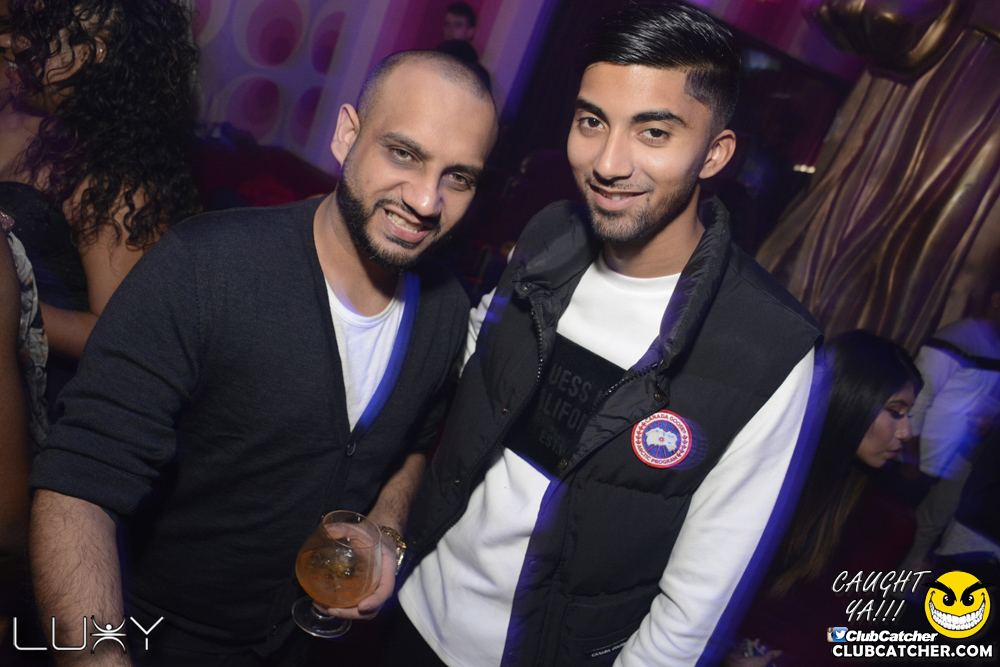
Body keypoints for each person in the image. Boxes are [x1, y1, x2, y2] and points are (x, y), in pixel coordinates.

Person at [28, 50, 497, 666]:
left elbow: (415, 439)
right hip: (154, 637)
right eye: (404, 153)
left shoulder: (445, 309)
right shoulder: (206, 268)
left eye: (458, 177)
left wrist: (384, 528)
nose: (427, 200)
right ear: (347, 134)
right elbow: (75, 492)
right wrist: (99, 657)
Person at [389, 3, 823, 665]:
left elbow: (692, 612)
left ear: (715, 153)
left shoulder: (767, 348)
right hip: (412, 607)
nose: (609, 162)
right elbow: (465, 378)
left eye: (654, 132)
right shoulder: (548, 235)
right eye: (592, 121)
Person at [0, 0, 200, 405]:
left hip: (38, 399)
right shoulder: (15, 111)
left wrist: (12, 309)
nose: (9, 41)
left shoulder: (117, 181)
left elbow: (124, 339)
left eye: (35, 31)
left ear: (90, 51)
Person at [728, 330, 922, 667]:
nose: (907, 432)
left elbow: (842, 633)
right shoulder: (757, 469)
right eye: (895, 410)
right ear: (849, 400)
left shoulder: (888, 522)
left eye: (909, 414)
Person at [898, 276, 1000, 572]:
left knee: (928, 531)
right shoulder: (957, 337)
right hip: (922, 460)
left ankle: (896, 592)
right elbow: (919, 396)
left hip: (961, 461)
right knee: (898, 528)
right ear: (996, 299)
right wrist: (910, 456)